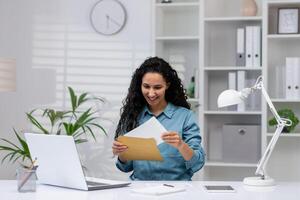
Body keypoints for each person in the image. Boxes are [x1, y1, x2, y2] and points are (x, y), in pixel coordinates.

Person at [112, 56, 205, 180]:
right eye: (146, 86)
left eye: (157, 87)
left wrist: (181, 145)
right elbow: (125, 167)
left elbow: (197, 163)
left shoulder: (185, 116)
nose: (151, 93)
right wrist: (122, 153)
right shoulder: (133, 116)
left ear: (167, 85)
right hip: (139, 189)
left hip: (177, 189)